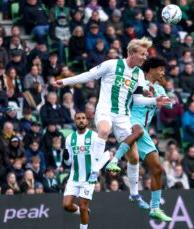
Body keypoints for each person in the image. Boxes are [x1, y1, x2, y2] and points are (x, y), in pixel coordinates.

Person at [54, 38, 170, 206]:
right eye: (142, 54)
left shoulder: (138, 74)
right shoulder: (111, 65)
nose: (145, 58)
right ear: (132, 53)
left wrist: (153, 98)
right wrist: (65, 81)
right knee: (103, 131)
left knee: (134, 158)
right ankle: (94, 170)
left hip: (123, 116)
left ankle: (134, 194)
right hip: (106, 110)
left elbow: (140, 95)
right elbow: (89, 75)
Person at [122, 57, 172, 221]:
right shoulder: (137, 81)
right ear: (151, 69)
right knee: (133, 158)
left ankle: (155, 208)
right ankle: (115, 160)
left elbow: (169, 105)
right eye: (161, 69)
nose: (163, 72)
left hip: (143, 130)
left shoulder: (159, 88)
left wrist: (159, 95)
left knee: (157, 169)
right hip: (130, 122)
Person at [62, 112, 108, 229]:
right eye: (78, 118)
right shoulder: (69, 139)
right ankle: (85, 212)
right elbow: (68, 163)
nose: (81, 120)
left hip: (89, 178)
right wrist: (66, 157)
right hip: (74, 177)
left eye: (83, 118)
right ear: (75, 121)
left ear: (87, 121)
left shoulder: (94, 136)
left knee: (83, 206)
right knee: (66, 205)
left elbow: (104, 155)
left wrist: (95, 171)